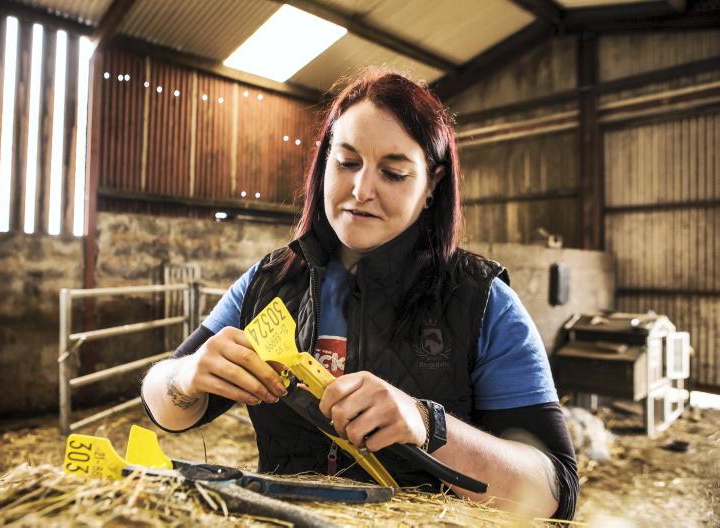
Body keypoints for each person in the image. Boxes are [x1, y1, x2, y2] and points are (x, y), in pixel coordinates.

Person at [142, 69, 578, 520]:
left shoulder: (483, 300)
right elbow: (163, 408)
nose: (361, 190)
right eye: (347, 163)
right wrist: (185, 376)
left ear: (432, 184)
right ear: (324, 163)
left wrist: (429, 426)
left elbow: (554, 492)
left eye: (393, 173)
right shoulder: (269, 282)